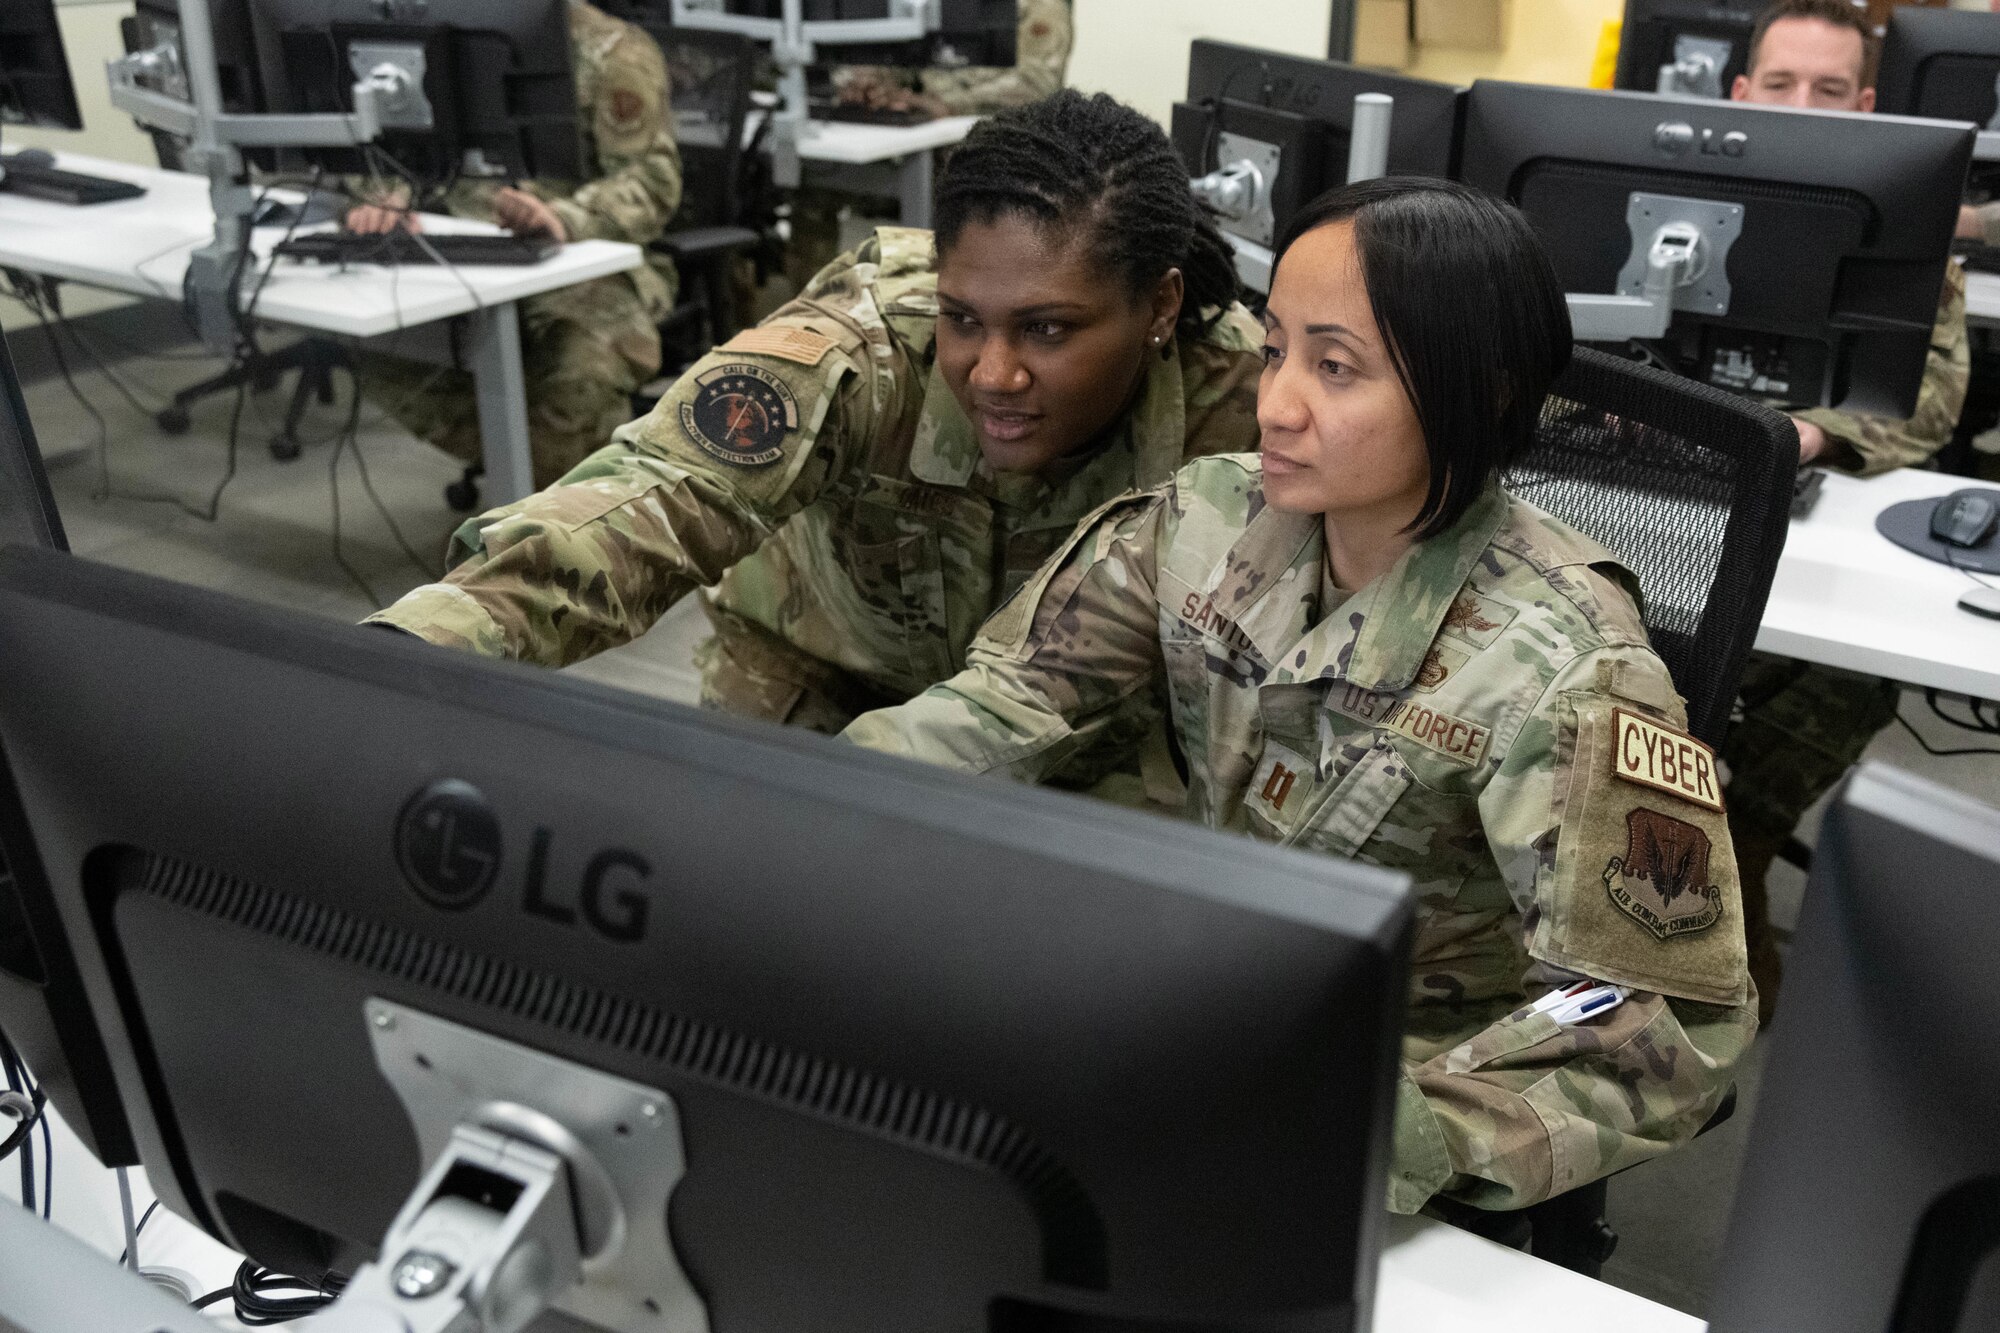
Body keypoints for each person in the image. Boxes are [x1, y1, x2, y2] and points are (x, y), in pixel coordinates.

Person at [844, 177, 1757, 1215]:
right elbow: (999, 710)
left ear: (1482, 391)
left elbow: (1668, 1020)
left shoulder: (1569, 673)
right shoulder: (1200, 520)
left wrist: (1378, 1137)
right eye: (1275, 350)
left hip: (1385, 1110)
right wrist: (794, 811)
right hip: (1205, 1024)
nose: (1275, 403)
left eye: (1336, 368)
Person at [369, 90, 1262, 793]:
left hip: (1079, 718)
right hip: (819, 671)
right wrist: (400, 657)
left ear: (1161, 308)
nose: (993, 372)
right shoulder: (864, 348)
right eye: (962, 318)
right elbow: (652, 499)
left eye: (1048, 330)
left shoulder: (1246, 401)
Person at [1723, 0, 1970, 1022]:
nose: (1800, 107)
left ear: (1864, 105)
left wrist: (1815, 434)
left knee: (1746, 774)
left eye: (1828, 90)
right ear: (1738, 95)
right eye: (1778, 85)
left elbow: (1931, 395)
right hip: (1655, 507)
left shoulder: (1897, 226)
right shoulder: (1647, 196)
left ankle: (1723, 960)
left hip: (1819, 552)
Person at [344, 0, 685, 494]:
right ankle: (528, 490)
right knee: (378, 346)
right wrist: (384, 197)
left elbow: (652, 183)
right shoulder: (441, 36)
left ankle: (555, 531)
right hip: (456, 251)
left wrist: (564, 218)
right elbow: (396, 148)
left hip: (582, 260)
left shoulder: (613, 51)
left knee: (580, 373)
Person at [787, 0, 1075, 291]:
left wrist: (948, 104)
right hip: (923, 141)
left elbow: (1038, 85)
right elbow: (907, 60)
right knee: (814, 181)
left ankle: (936, 309)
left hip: (991, 156)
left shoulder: (1040, 6)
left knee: (940, 201)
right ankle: (809, 312)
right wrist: (873, 81)